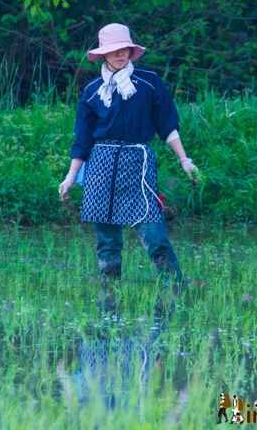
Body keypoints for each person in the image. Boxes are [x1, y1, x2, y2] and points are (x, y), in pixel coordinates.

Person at [58, 23, 196, 308]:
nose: (120, 54)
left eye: (124, 48)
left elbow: (167, 126)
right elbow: (82, 138)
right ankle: (110, 301)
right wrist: (71, 176)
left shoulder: (149, 83)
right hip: (101, 167)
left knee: (154, 234)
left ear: (131, 50)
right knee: (107, 242)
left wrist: (185, 160)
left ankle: (175, 294)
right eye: (114, 50)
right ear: (104, 54)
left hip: (137, 163)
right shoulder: (93, 91)